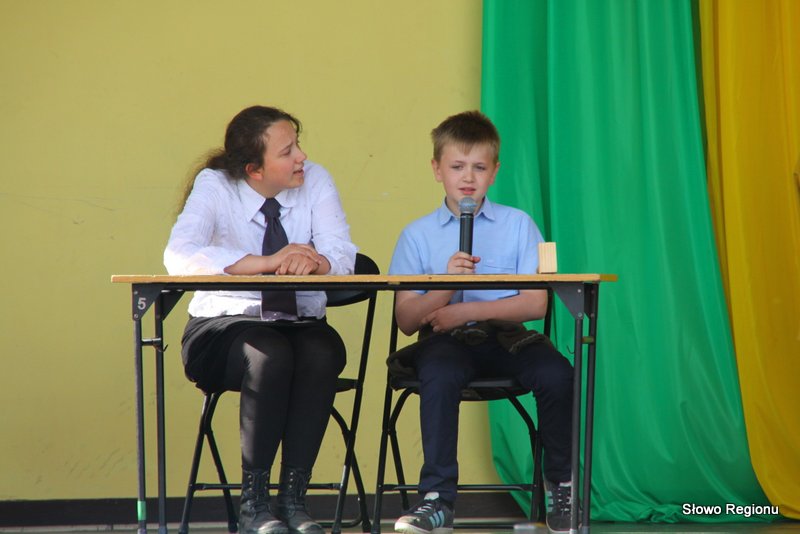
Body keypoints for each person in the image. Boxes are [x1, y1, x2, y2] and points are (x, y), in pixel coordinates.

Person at [164, 105, 357, 534]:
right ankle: (254, 503)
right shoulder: (215, 184)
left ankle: (294, 502)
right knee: (267, 353)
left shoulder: (316, 180)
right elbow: (179, 255)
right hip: (223, 328)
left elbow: (344, 254)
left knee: (323, 352)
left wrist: (317, 262)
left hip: (299, 324)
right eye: (287, 152)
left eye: (298, 145)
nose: (302, 157)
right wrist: (266, 262)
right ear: (254, 169)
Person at [388, 111, 575, 534]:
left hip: (507, 340)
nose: (468, 178)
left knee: (557, 373)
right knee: (438, 372)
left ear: (494, 171)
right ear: (437, 169)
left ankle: (561, 486)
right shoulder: (417, 235)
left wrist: (468, 310)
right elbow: (407, 319)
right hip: (445, 342)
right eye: (457, 166)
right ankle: (437, 499)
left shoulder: (518, 224)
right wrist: (447, 285)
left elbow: (535, 303)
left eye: (479, 167)